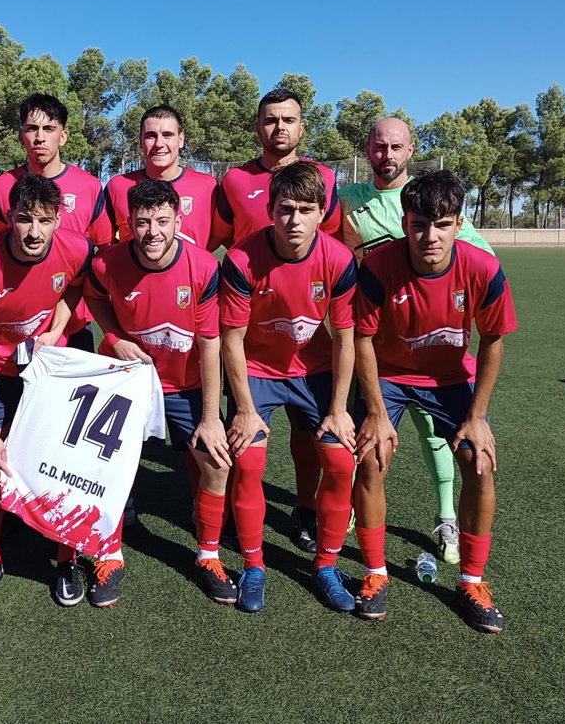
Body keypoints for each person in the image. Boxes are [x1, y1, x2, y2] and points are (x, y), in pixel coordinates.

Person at [350, 170, 516, 633]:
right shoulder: (379, 267)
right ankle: (375, 574)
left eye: (441, 224)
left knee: (478, 460)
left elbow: (494, 339)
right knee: (371, 457)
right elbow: (362, 339)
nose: (430, 236)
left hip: (447, 380)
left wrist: (478, 417)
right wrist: (378, 416)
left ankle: (472, 581)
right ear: (405, 223)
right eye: (420, 224)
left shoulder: (482, 268)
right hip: (387, 375)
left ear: (458, 224)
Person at [338, 117, 493, 564]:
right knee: (367, 441)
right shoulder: (347, 201)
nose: (387, 154)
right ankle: (353, 511)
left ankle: (446, 519)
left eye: (396, 146)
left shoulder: (433, 203)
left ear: (411, 150)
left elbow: (478, 259)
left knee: (437, 438)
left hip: (435, 351)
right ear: (366, 149)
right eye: (379, 146)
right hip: (377, 350)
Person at [83, 178, 235, 606]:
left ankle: (208, 556)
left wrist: (210, 418)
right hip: (128, 378)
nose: (153, 232)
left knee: (216, 463)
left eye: (163, 221)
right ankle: (108, 555)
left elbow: (210, 345)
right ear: (128, 222)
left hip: (185, 384)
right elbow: (94, 299)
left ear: (179, 220)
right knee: (107, 464)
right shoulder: (105, 263)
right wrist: (113, 334)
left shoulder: (203, 267)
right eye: (143, 222)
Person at [219, 161, 358, 613]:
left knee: (339, 460)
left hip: (314, 372)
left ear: (322, 213)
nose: (293, 220)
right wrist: (243, 407)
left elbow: (344, 340)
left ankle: (326, 565)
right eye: (284, 209)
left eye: (305, 209)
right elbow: (231, 341)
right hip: (258, 370)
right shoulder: (241, 260)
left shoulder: (338, 260)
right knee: (248, 457)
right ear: (271, 211)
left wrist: (338, 409)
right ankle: (255, 566)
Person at [211, 87, 342, 555]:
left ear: (301, 127)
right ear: (258, 126)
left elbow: (338, 246)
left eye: (289, 120)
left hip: (307, 336)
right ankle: (232, 513)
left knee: (309, 436)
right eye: (270, 120)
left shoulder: (325, 178)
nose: (279, 127)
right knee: (242, 435)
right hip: (250, 329)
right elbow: (213, 243)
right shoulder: (232, 182)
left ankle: (305, 510)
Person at [0, 172, 94, 607]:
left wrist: (55, 330)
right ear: (9, 218)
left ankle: (66, 560)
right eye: (24, 219)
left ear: (59, 219)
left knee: (63, 459)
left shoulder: (78, 248)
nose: (34, 232)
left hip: (49, 368)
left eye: (44, 220)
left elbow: (76, 285)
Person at [0, 93, 111, 352]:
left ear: (62, 136)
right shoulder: (2, 187)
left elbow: (104, 249)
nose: (40, 137)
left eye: (49, 128)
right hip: (16, 323)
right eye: (32, 128)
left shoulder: (89, 186)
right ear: (22, 136)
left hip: (73, 322)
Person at [103, 105, 217, 247]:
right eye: (151, 136)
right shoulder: (117, 187)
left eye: (167, 135)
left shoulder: (208, 186)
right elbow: (105, 242)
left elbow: (219, 237)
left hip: (192, 269)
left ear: (181, 139)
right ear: (140, 141)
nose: (159, 144)